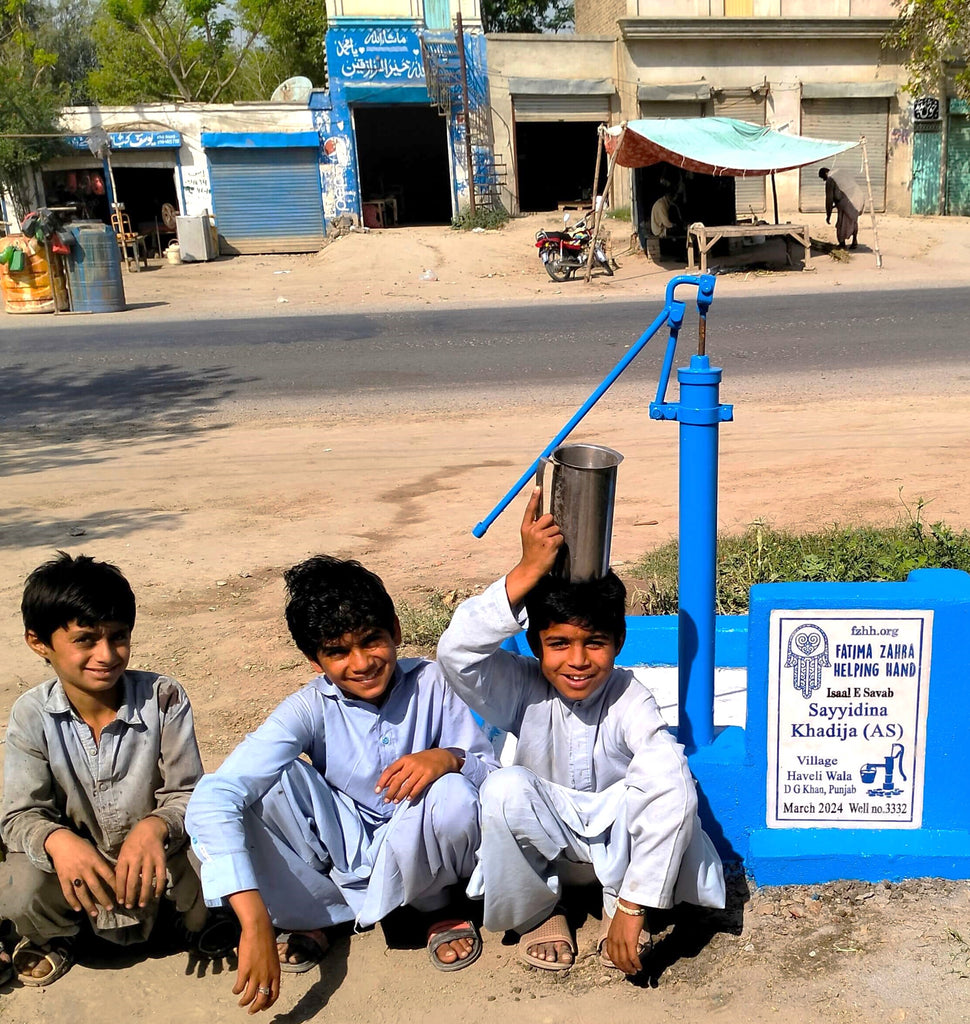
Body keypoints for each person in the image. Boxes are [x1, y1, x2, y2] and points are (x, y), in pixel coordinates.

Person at [186, 555, 499, 1014]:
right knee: (272, 782)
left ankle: (433, 908)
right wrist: (252, 919)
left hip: (417, 830)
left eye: (371, 640)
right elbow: (216, 795)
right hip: (346, 839)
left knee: (455, 793)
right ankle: (316, 913)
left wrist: (448, 757)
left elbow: (491, 774)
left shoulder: (434, 682)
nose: (362, 663)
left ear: (394, 630)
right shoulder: (308, 707)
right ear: (315, 661)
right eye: (337, 651)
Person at [437, 489, 725, 975]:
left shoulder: (629, 697)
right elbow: (456, 653)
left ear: (618, 642)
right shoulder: (520, 686)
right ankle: (541, 912)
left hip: (620, 857)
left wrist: (633, 906)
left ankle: (625, 905)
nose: (576, 661)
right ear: (535, 644)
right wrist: (526, 570)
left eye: (594, 643)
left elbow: (671, 789)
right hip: (547, 850)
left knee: (667, 782)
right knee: (503, 787)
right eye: (559, 643)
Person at [0, 552, 206, 987]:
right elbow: (20, 816)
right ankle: (57, 936)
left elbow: (188, 793)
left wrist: (154, 828)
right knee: (19, 882)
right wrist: (58, 841)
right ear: (39, 642)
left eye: (118, 636)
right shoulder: (31, 715)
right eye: (86, 639)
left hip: (160, 872)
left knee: (220, 847)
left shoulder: (164, 697)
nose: (107, 654)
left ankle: (194, 923)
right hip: (78, 882)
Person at [819, 166, 864, 249]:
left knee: (841, 223)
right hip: (858, 198)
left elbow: (829, 199)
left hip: (847, 202)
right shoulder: (840, 173)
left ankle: (842, 243)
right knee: (853, 221)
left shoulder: (830, 179)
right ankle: (854, 241)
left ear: (825, 173)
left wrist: (828, 215)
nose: (824, 180)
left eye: (823, 178)